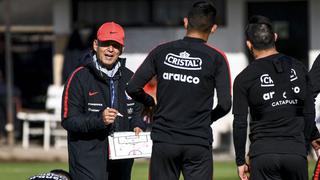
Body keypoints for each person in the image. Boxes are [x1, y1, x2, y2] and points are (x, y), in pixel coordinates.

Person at [126, 1, 232, 180]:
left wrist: (150, 103)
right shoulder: (217, 58)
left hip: (164, 140)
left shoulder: (161, 51)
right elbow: (225, 104)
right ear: (213, 28)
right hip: (197, 142)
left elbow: (132, 87)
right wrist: (206, 119)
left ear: (185, 22)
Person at [232, 15, 320, 180]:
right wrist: (304, 146)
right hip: (295, 153)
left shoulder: (244, 78)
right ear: (275, 37)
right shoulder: (299, 68)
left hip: (262, 155)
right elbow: (309, 113)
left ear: (249, 44)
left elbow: (240, 123)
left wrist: (239, 161)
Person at [61, 22, 145, 180]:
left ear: (122, 49)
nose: (110, 49)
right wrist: (100, 119)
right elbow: (68, 120)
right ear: (95, 44)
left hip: (122, 161)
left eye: (116, 45)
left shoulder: (131, 78)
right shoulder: (79, 77)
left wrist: (138, 125)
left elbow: (139, 113)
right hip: (87, 162)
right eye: (106, 44)